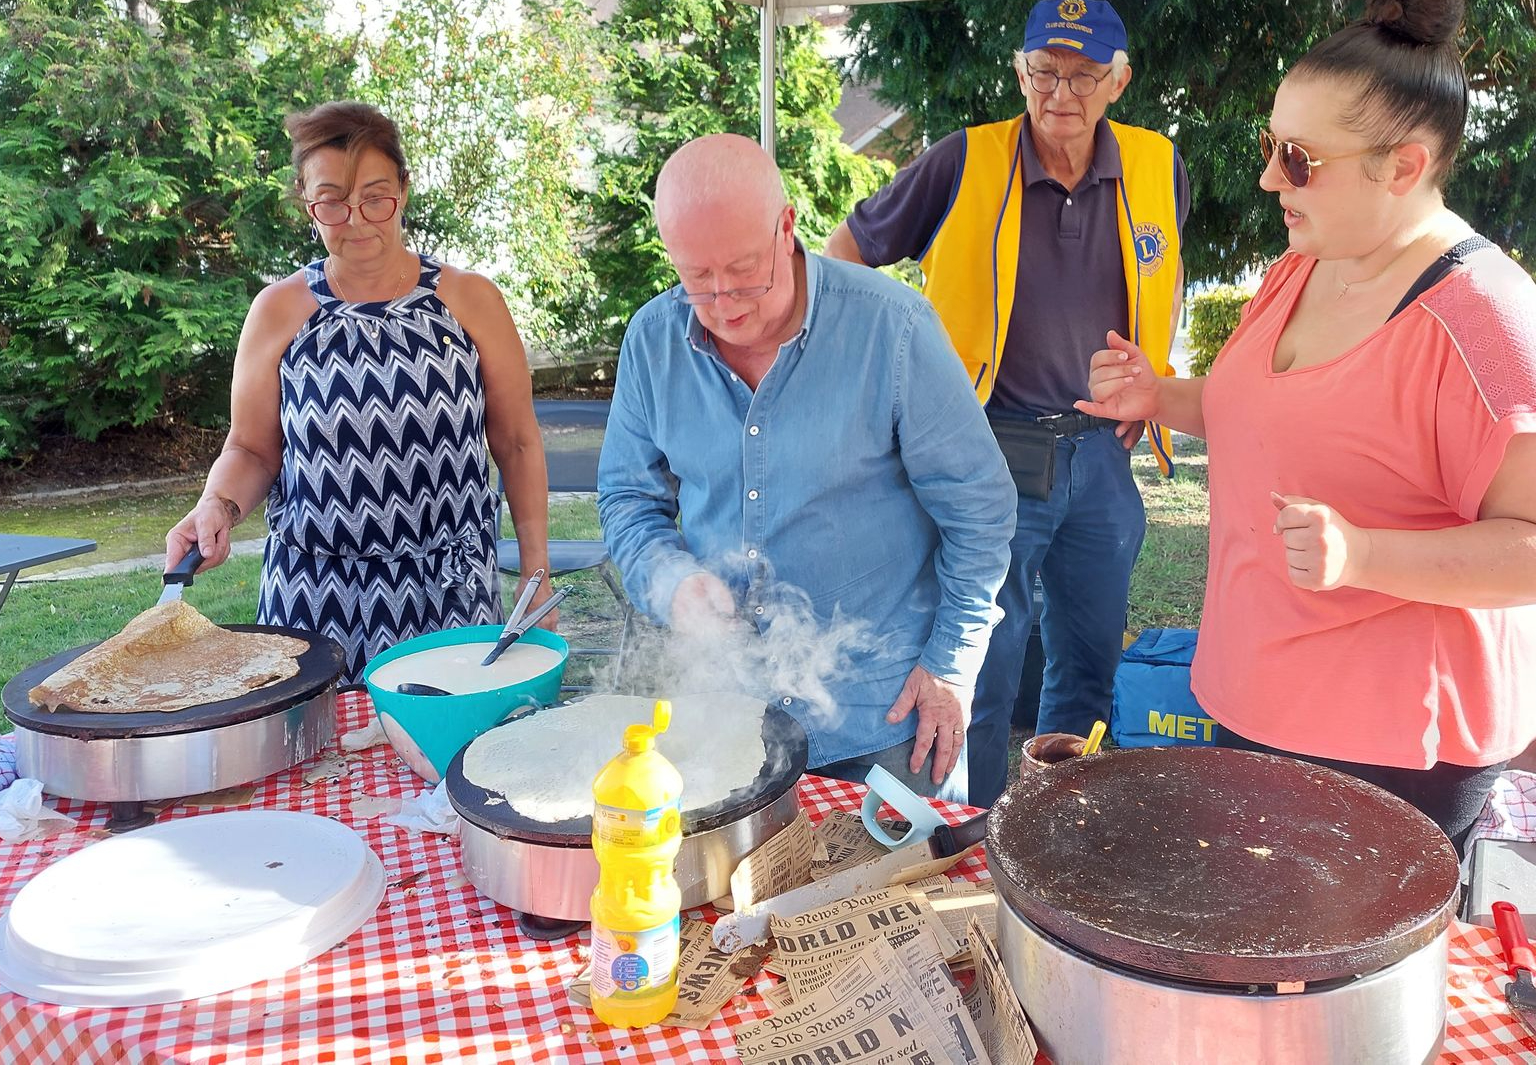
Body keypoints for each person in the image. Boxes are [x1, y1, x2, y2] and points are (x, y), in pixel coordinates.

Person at [1078, 0, 1536, 848]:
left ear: (1404, 167)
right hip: (1258, 699)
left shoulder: (1488, 322)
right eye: (1269, 146)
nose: (1269, 180)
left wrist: (1363, 554)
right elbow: (1276, 413)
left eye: (1300, 159)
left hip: (1391, 751)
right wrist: (1162, 394)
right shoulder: (1303, 264)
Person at [824, 0, 1190, 806]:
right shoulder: (963, 161)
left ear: (1120, 81)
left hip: (1101, 456)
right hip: (985, 452)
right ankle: (966, 830)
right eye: (1043, 73)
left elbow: (1164, 280)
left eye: (1084, 75)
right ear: (1020, 73)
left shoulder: (1159, 166)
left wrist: (1150, 382)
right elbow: (847, 251)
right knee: (977, 669)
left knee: (1091, 661)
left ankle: (1058, 828)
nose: (1061, 93)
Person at [598, 133, 1016, 804]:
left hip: (884, 719)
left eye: (743, 271)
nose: (725, 300)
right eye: (697, 279)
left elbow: (981, 507)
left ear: (786, 226)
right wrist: (673, 582)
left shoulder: (892, 327)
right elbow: (628, 501)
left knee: (898, 907)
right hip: (729, 714)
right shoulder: (652, 342)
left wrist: (951, 665)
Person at [164, 102, 555, 675]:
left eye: (376, 196)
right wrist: (215, 505)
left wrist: (535, 573)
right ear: (307, 200)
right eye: (332, 202)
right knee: (315, 765)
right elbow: (250, 448)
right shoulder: (278, 312)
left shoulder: (471, 301)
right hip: (312, 601)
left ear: (404, 188)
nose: (358, 219)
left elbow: (518, 442)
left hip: (450, 597)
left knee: (447, 755)